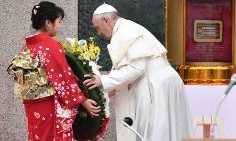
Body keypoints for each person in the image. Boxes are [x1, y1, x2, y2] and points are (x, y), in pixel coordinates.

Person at [83, 3, 194, 141]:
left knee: (156, 133)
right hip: (162, 82)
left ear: (107, 21)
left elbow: (136, 68)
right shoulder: (126, 29)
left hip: (157, 85)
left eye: (98, 28)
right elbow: (127, 66)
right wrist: (114, 86)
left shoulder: (126, 31)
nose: (98, 33)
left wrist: (104, 80)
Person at [7, 1, 100, 141]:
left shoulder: (27, 47)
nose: (59, 25)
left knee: (38, 136)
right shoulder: (50, 46)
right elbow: (63, 79)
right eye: (59, 21)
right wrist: (83, 101)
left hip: (32, 105)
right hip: (49, 105)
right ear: (48, 23)